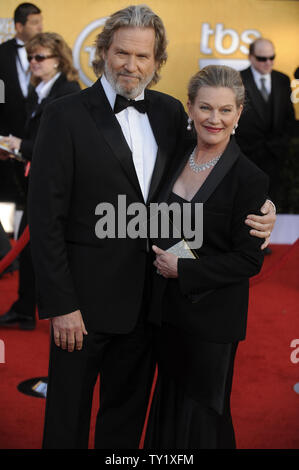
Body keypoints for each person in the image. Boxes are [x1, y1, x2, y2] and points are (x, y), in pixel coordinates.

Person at [28, 5, 275, 450]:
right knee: (66, 423)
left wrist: (263, 207)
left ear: (158, 62)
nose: (131, 65)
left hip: (149, 306)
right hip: (80, 308)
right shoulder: (65, 116)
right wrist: (60, 304)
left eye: (143, 57)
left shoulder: (166, 113)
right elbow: (46, 219)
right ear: (103, 51)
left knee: (124, 427)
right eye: (122, 53)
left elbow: (205, 175)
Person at [145, 65, 270, 450]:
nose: (214, 119)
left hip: (212, 321)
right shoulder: (174, 154)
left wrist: (183, 268)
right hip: (166, 315)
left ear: (239, 113)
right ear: (190, 108)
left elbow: (249, 261)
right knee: (169, 407)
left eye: (225, 110)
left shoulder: (249, 178)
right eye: (205, 108)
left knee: (203, 416)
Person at [0, 32, 80, 330]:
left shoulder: (68, 92)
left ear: (58, 60)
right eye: (30, 57)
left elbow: (58, 147)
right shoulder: (39, 91)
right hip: (35, 184)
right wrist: (17, 151)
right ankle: (24, 308)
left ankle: (41, 308)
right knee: (29, 250)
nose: (33, 63)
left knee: (47, 251)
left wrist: (19, 146)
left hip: (56, 190)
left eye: (40, 57)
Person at [236, 38, 295, 208]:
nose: (268, 62)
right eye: (262, 58)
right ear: (251, 57)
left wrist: (281, 144)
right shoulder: (237, 79)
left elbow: (288, 118)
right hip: (246, 155)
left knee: (271, 205)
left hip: (276, 158)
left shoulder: (282, 80)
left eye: (272, 57)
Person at [0, 2, 43, 204]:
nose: (40, 27)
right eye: (34, 23)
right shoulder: (2, 53)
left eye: (40, 22)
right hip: (9, 139)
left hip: (40, 140)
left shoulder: (49, 51)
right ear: (18, 26)